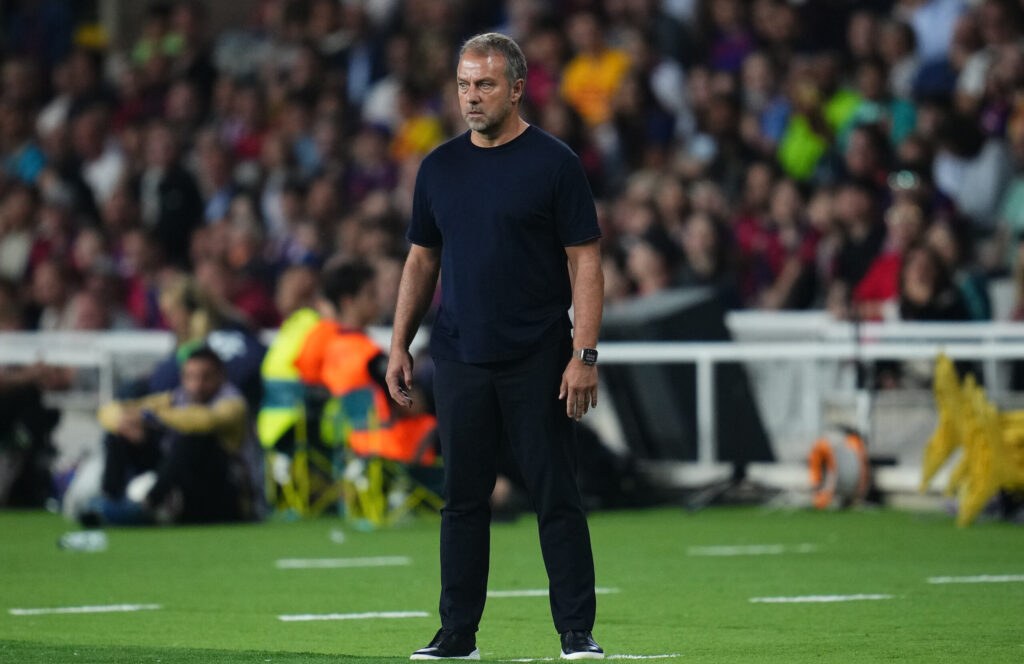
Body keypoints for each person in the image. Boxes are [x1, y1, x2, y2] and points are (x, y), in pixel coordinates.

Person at [386, 33, 605, 661]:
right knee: (462, 499)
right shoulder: (439, 167)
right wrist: (399, 344)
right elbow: (421, 260)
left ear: (516, 88)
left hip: (538, 353)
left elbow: (585, 264)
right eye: (462, 84)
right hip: (457, 354)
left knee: (554, 494)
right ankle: (457, 634)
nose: (471, 97)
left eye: (484, 84)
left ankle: (575, 633)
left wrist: (583, 354)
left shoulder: (555, 163)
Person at [86, 347, 255, 525]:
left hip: (224, 494)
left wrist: (151, 416)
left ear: (221, 376)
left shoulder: (233, 402)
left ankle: (147, 505)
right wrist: (126, 421)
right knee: (121, 434)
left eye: (206, 377)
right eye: (191, 377)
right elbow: (109, 410)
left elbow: (206, 420)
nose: (197, 385)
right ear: (182, 377)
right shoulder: (175, 399)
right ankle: (109, 502)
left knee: (194, 438)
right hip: (185, 483)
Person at [295, 259, 436, 466]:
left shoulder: (329, 348)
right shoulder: (367, 355)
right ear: (348, 302)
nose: (377, 302)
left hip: (355, 450)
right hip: (396, 450)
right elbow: (413, 404)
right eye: (370, 294)